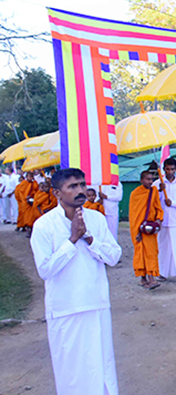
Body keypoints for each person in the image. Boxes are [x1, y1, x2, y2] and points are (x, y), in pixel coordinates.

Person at [30, 168, 122, 395]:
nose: (80, 190)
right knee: (71, 372)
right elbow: (45, 270)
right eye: (72, 186)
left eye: (82, 184)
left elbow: (113, 257)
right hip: (65, 308)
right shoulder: (44, 225)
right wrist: (72, 240)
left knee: (101, 367)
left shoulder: (96, 219)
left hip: (97, 304)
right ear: (57, 193)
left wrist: (90, 239)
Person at [155, 158, 176, 285]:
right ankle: (162, 273)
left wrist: (172, 203)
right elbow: (153, 201)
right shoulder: (158, 183)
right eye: (168, 169)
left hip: (175, 220)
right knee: (162, 247)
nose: (170, 172)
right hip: (162, 220)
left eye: (172, 169)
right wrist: (159, 191)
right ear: (164, 169)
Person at [129, 171, 163, 290]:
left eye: (151, 179)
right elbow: (134, 215)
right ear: (141, 180)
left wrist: (159, 219)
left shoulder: (154, 191)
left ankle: (150, 277)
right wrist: (137, 231)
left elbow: (158, 207)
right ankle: (146, 278)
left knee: (151, 252)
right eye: (147, 179)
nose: (150, 182)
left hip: (150, 228)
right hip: (139, 228)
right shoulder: (135, 194)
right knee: (140, 252)